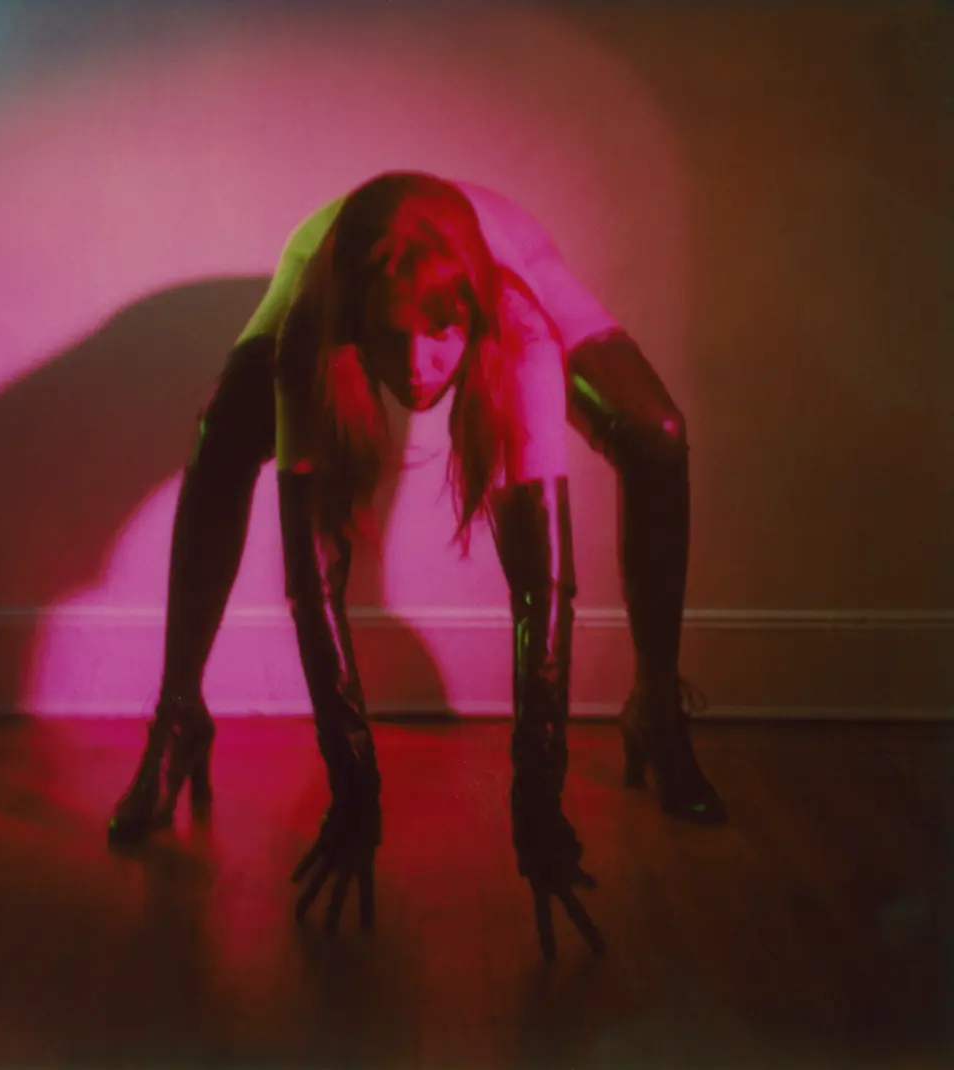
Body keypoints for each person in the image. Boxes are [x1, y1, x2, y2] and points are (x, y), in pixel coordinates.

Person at [106, 171, 726, 957]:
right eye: (391, 337)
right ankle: (179, 718)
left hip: (502, 258)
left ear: (470, 321)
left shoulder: (519, 332)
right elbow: (313, 583)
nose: (417, 367)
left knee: (659, 435)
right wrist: (353, 790)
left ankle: (656, 708)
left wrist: (539, 805)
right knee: (223, 434)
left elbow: (542, 589)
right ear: (358, 326)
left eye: (440, 334)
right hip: (325, 269)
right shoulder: (314, 338)